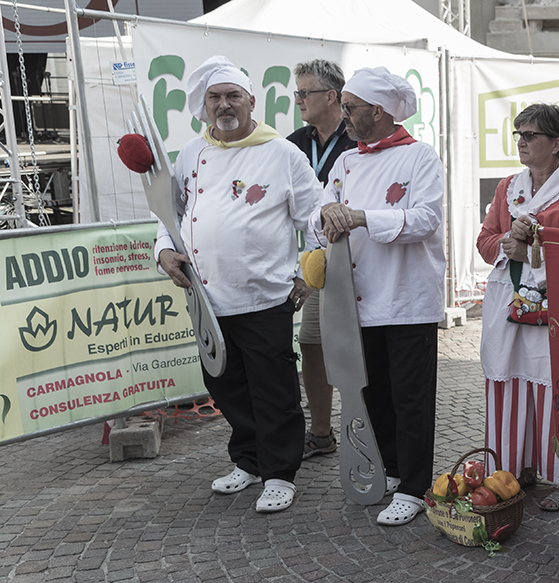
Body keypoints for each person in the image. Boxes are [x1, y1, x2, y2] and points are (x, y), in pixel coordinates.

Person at [154, 55, 323, 513]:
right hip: (205, 299)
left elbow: (317, 217)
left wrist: (309, 270)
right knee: (226, 386)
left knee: (274, 390)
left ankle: (280, 474)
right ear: (204, 105)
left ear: (252, 101)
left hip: (263, 296)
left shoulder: (282, 153)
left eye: (233, 96)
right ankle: (248, 461)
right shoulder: (191, 154)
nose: (224, 105)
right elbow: (171, 217)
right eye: (215, 98)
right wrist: (163, 251)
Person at [311, 66, 445, 526]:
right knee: (375, 393)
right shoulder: (346, 161)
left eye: (350, 107)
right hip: (357, 298)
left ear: (380, 111)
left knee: (411, 396)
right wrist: (327, 211)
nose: (343, 115)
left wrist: (362, 217)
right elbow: (318, 215)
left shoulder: (420, 157)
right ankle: (389, 468)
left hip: (407, 299)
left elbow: (425, 219)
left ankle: (415, 484)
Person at [476, 103, 559, 511]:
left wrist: (535, 244)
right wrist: (507, 246)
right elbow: (484, 242)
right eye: (518, 134)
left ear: (557, 143)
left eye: (530, 135)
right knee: (510, 383)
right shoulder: (507, 187)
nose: (521, 142)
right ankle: (511, 469)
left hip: (558, 307)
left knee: (556, 388)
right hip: (507, 303)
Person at [287, 59, 357, 458]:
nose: (298, 99)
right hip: (316, 261)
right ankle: (320, 432)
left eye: (305, 92)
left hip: (359, 259)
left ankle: (365, 427)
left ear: (331, 96)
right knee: (311, 342)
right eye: (297, 92)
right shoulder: (295, 143)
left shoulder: (359, 138)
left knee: (357, 346)